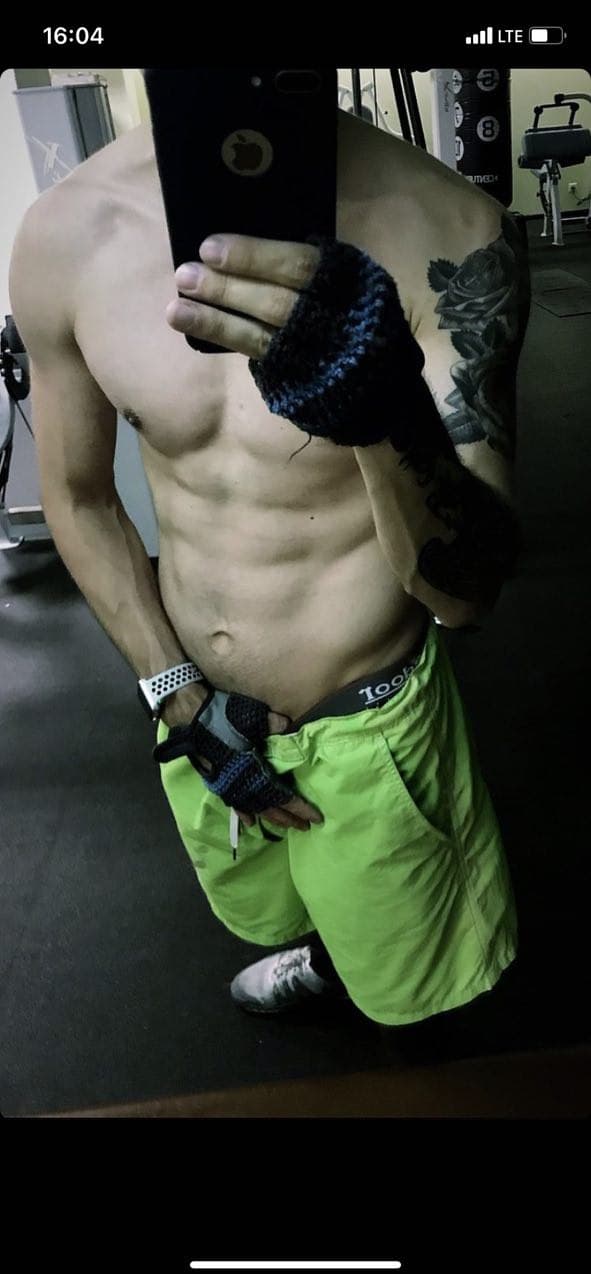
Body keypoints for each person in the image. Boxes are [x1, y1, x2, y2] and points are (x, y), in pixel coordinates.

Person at [8, 101, 530, 1029]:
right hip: (201, 715)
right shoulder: (66, 231)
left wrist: (383, 413)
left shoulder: (452, 227)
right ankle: (327, 957)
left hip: (370, 724)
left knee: (416, 986)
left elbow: (468, 594)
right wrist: (176, 694)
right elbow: (79, 498)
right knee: (287, 902)